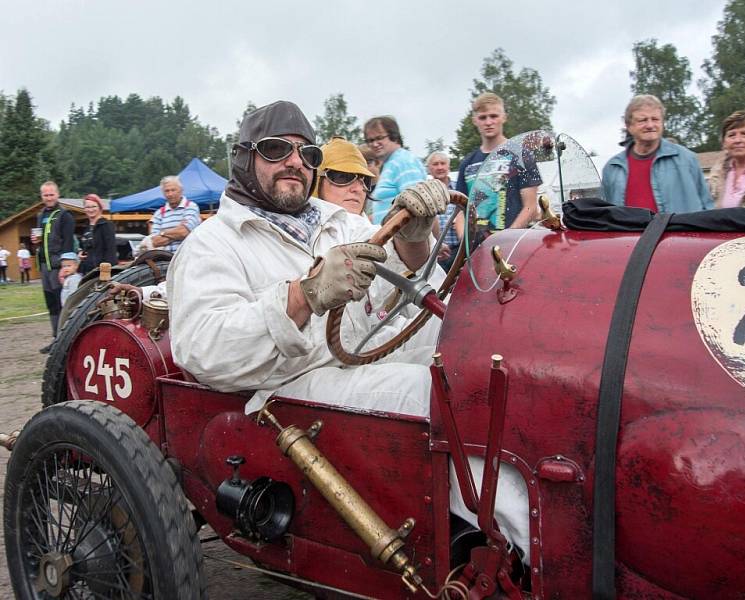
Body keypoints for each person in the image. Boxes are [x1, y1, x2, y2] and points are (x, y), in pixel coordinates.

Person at [168, 100, 528, 563]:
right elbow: (203, 349)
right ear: (244, 158)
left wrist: (414, 240)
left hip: (362, 351)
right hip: (286, 390)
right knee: (439, 393)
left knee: (485, 362)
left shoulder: (341, 222)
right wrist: (304, 295)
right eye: (278, 149)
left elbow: (410, 287)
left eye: (308, 154)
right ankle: (531, 550)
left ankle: (525, 514)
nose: (296, 162)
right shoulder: (213, 243)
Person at [602, 95, 712, 212]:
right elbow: (607, 215)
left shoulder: (687, 160)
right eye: (642, 120)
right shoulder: (612, 169)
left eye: (655, 119)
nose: (650, 125)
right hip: (633, 230)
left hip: (682, 230)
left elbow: (708, 208)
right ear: (629, 126)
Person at [455, 92, 542, 232]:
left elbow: (530, 207)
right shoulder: (467, 164)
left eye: (494, 116)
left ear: (504, 117)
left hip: (513, 246)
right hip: (476, 249)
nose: (488, 122)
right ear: (475, 120)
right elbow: (459, 212)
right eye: (483, 117)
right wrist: (466, 244)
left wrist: (506, 239)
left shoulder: (522, 155)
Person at [32, 181, 75, 352]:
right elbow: (41, 238)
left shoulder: (65, 215)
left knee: (61, 303)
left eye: (51, 194)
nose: (48, 198)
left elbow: (68, 243)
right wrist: (36, 241)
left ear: (57, 194)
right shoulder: (40, 214)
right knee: (51, 304)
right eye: (45, 195)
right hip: (44, 265)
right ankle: (55, 340)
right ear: (42, 196)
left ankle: (64, 340)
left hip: (58, 266)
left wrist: (66, 266)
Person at [363, 116, 426, 223]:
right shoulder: (391, 163)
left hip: (402, 237)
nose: (374, 144)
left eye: (379, 138)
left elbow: (417, 206)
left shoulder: (403, 162)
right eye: (370, 140)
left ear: (394, 136)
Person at [313, 137, 375, 216]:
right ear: (316, 181)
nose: (359, 189)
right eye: (343, 177)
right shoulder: (295, 226)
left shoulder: (375, 228)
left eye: (365, 181)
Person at [427, 151, 463, 271]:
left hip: (459, 250)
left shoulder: (460, 188)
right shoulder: (425, 193)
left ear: (449, 166)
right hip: (435, 253)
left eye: (443, 163)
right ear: (429, 169)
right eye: (435, 164)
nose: (440, 167)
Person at [148, 176, 201, 252]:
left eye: (173, 190)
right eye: (167, 191)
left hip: (187, 258)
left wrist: (162, 233)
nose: (170, 194)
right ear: (163, 193)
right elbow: (155, 242)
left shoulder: (191, 207)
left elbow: (183, 232)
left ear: (181, 191)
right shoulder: (159, 213)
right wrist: (178, 231)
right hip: (165, 261)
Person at [78, 194, 118, 274]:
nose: (91, 210)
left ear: (100, 207)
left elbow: (111, 251)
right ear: (84, 209)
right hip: (86, 271)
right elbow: (84, 247)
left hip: (101, 271)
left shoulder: (106, 225)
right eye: (88, 207)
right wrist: (80, 253)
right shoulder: (86, 227)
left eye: (94, 206)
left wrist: (107, 272)